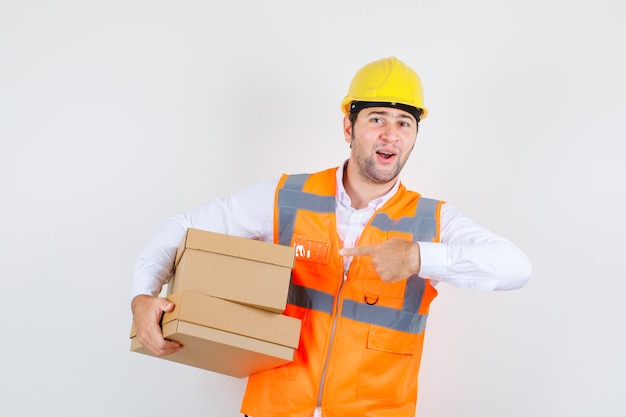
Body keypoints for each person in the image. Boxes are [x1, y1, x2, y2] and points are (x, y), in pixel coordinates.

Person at [131, 56, 532, 417]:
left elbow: (516, 268)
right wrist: (143, 293)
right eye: (377, 118)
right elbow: (183, 226)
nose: (391, 134)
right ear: (348, 126)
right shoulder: (287, 197)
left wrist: (418, 258)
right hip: (277, 410)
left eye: (404, 123)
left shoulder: (432, 222)